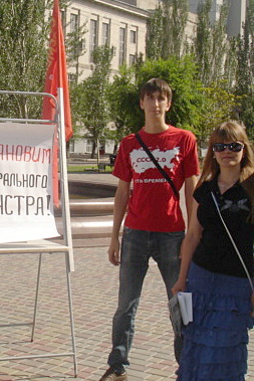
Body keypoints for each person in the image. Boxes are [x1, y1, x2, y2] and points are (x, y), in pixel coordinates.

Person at [99, 78, 200, 381]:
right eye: (150, 98)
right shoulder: (130, 143)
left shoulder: (185, 140)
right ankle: (118, 363)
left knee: (181, 300)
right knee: (126, 303)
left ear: (168, 104)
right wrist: (114, 236)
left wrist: (192, 236)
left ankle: (187, 362)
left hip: (172, 234)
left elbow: (192, 192)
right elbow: (122, 193)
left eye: (161, 99)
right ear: (141, 103)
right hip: (136, 234)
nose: (155, 104)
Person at [172, 121, 254, 380]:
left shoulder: (252, 188)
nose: (226, 151)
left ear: (244, 149)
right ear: (213, 152)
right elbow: (193, 236)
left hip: (237, 284)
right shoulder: (204, 190)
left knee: (226, 349)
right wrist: (181, 279)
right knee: (196, 346)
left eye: (233, 145)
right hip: (201, 280)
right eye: (220, 146)